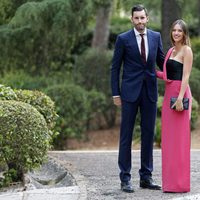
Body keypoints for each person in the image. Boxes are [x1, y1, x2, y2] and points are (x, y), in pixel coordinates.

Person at [110, 4, 165, 193]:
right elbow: (115, 68)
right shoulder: (123, 39)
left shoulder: (156, 37)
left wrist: (180, 67)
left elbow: (162, 62)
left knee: (148, 134)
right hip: (129, 93)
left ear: (147, 18)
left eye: (142, 18)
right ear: (132, 19)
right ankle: (125, 178)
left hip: (149, 93)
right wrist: (115, 93)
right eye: (137, 18)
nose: (140, 21)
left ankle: (146, 177)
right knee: (126, 136)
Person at [156, 19, 193, 192]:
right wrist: (149, 70)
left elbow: (185, 77)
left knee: (180, 141)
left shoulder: (187, 51)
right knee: (169, 142)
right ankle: (170, 184)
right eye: (174, 30)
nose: (176, 33)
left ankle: (181, 184)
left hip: (180, 95)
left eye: (180, 31)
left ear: (184, 33)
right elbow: (166, 74)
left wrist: (179, 98)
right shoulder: (170, 50)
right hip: (168, 96)